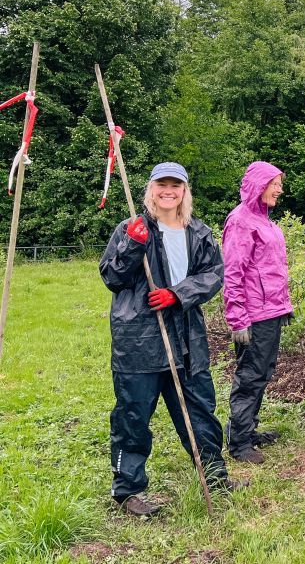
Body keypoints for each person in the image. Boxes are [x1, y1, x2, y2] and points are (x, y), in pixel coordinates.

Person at [99, 162, 244, 517]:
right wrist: (132, 246)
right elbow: (112, 277)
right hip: (139, 341)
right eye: (161, 184)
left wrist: (178, 294)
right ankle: (128, 490)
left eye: (175, 185)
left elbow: (214, 274)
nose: (168, 191)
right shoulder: (131, 228)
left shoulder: (199, 232)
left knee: (200, 412)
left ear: (184, 190)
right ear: (150, 189)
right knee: (133, 417)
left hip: (187, 340)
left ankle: (214, 476)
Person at [222, 162, 292, 464]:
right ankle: (239, 443)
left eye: (279, 184)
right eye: (275, 183)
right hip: (254, 315)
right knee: (250, 376)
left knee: (261, 373)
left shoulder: (263, 220)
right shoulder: (241, 221)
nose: (279, 189)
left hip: (271, 311)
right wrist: (237, 319)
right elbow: (232, 273)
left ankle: (247, 431)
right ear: (258, 185)